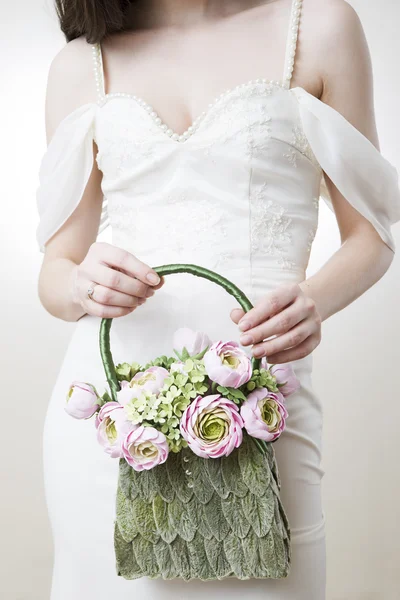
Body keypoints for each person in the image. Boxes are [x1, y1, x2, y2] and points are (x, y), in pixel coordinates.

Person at [35, 0, 400, 598]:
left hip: (262, 408)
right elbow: (55, 273)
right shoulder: (80, 64)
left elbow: (373, 237)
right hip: (110, 416)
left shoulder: (320, 27)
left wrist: (314, 301)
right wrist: (80, 282)